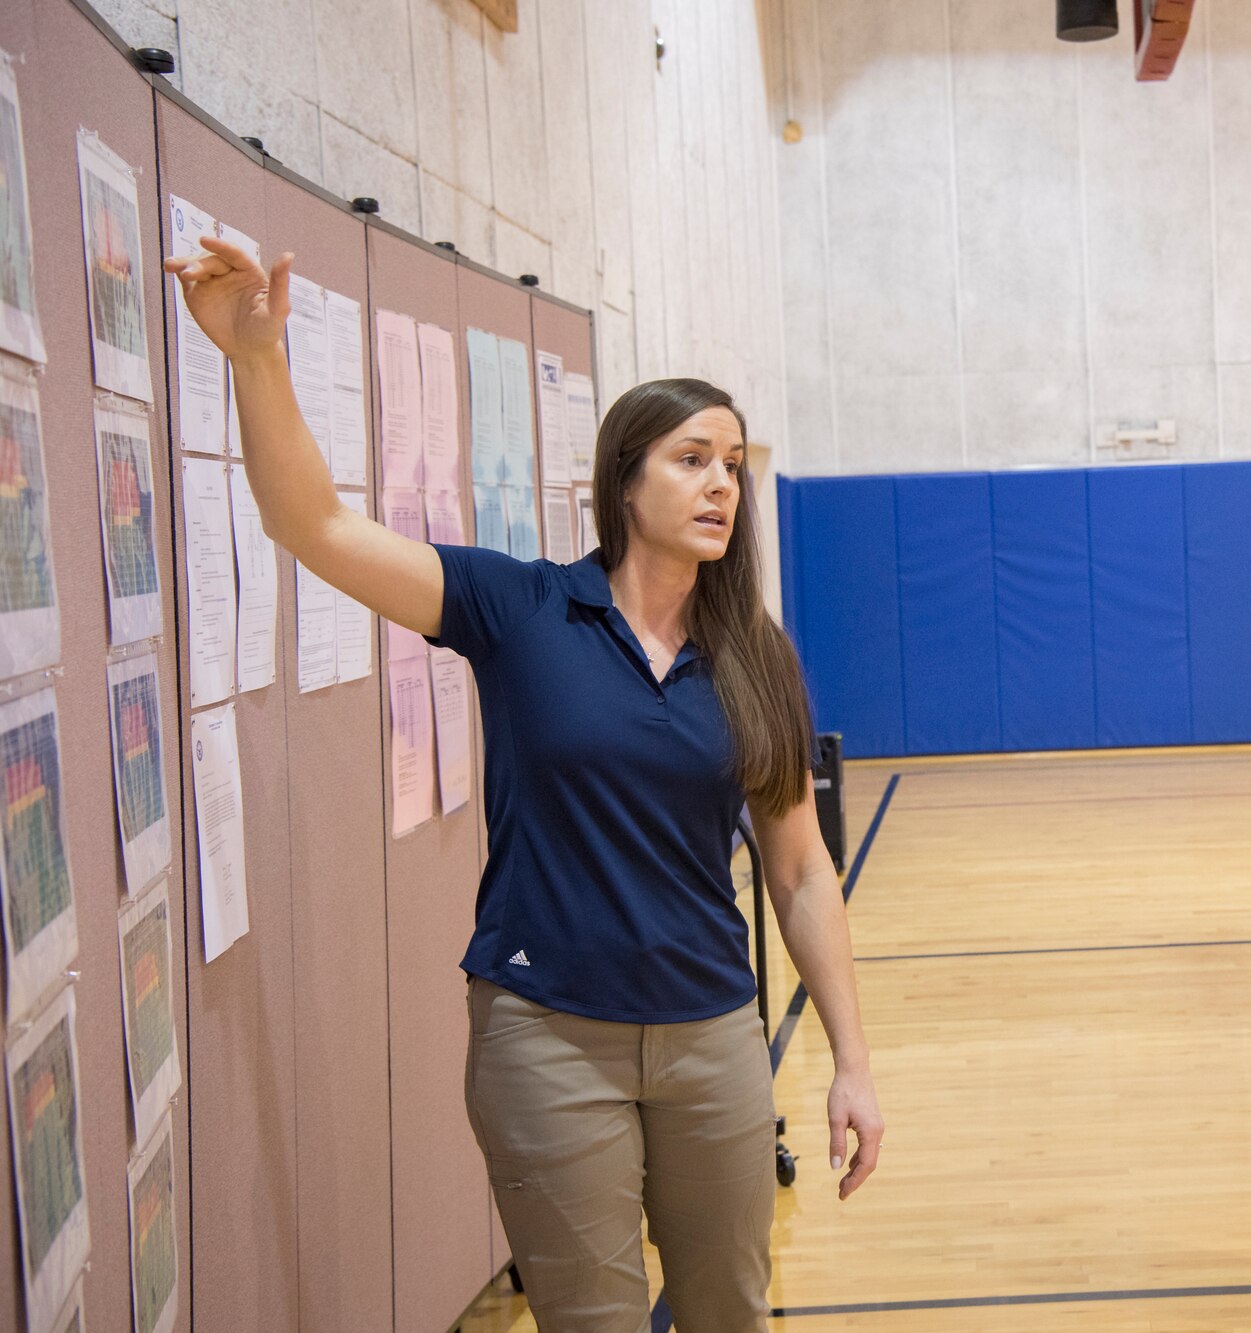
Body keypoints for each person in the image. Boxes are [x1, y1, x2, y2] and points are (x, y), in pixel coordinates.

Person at [167, 235, 883, 1333]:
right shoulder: (519, 610)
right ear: (624, 478)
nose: (720, 485)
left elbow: (797, 871)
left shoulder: (756, 653)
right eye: (691, 458)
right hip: (545, 1039)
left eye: (731, 465)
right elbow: (313, 524)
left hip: (711, 1040)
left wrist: (851, 1061)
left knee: (729, 1313)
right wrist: (256, 359)